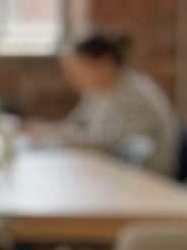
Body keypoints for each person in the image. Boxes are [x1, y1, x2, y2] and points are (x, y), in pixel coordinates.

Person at [44, 31, 179, 175]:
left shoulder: (135, 94)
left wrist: (62, 136)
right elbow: (74, 125)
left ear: (105, 63)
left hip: (147, 179)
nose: (73, 78)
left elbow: (111, 145)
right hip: (113, 173)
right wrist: (50, 131)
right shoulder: (97, 92)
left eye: (80, 70)